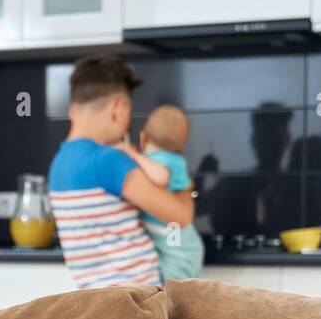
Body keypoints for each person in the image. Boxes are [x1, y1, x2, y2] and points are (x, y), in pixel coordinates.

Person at [46, 55, 195, 289]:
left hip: (97, 302)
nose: (127, 125)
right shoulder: (108, 161)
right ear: (118, 108)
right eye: (128, 113)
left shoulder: (58, 164)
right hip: (139, 300)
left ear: (73, 109)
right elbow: (180, 216)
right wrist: (183, 184)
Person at [116, 104, 205, 280]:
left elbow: (161, 177)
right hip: (179, 242)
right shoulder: (175, 160)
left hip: (177, 246)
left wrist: (134, 155)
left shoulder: (163, 161)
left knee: (171, 291)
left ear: (143, 138)